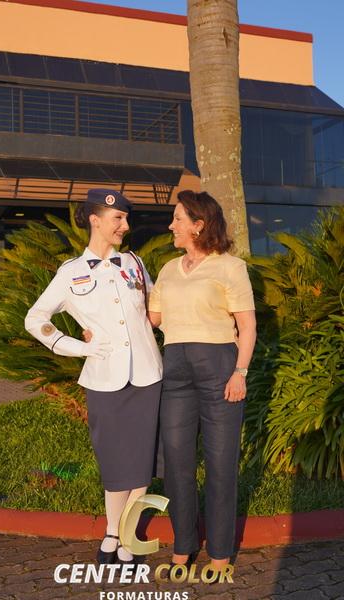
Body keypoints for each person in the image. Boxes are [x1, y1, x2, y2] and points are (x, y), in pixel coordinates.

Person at [25, 188, 162, 565]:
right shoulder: (70, 273)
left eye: (126, 218)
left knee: (142, 459)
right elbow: (35, 319)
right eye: (119, 218)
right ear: (95, 220)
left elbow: (156, 311)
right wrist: (77, 346)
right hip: (104, 377)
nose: (125, 226)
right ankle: (112, 530)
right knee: (114, 458)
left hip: (148, 374)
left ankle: (128, 535)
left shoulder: (134, 263)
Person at [148, 190, 256, 571]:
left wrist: (240, 372)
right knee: (177, 463)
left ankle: (221, 552)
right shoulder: (167, 270)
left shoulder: (230, 267)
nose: (171, 226)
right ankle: (184, 543)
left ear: (199, 225)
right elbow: (151, 320)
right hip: (175, 371)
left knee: (221, 464)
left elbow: (247, 325)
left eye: (177, 219)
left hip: (220, 369)